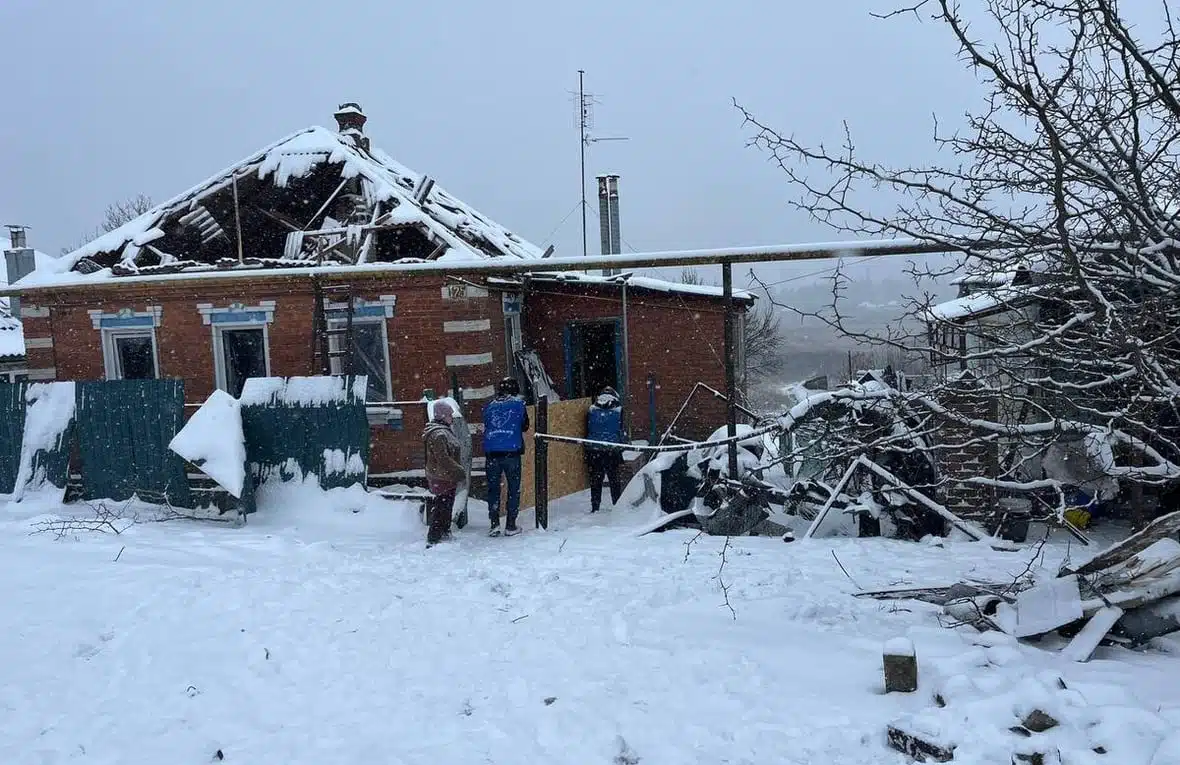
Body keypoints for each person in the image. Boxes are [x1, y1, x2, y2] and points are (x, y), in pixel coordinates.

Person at [483, 376, 530, 536]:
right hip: (511, 453)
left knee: (493, 489)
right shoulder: (519, 404)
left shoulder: (489, 406)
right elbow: (525, 426)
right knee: (513, 489)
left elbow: (487, 425)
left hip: (491, 454)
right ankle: (510, 525)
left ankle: (494, 524)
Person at [422, 400, 466, 546]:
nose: (452, 417)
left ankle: (445, 532)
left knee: (446, 505)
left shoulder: (444, 431)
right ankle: (433, 537)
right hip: (441, 476)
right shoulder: (439, 434)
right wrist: (458, 471)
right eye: (449, 415)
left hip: (446, 476)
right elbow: (443, 458)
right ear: (442, 415)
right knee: (442, 506)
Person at [585, 386, 625, 513]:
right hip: (612, 450)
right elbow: (621, 430)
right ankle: (617, 505)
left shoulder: (591, 410)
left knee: (596, 480)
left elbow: (588, 429)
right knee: (614, 480)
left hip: (594, 450)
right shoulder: (619, 410)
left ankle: (595, 506)